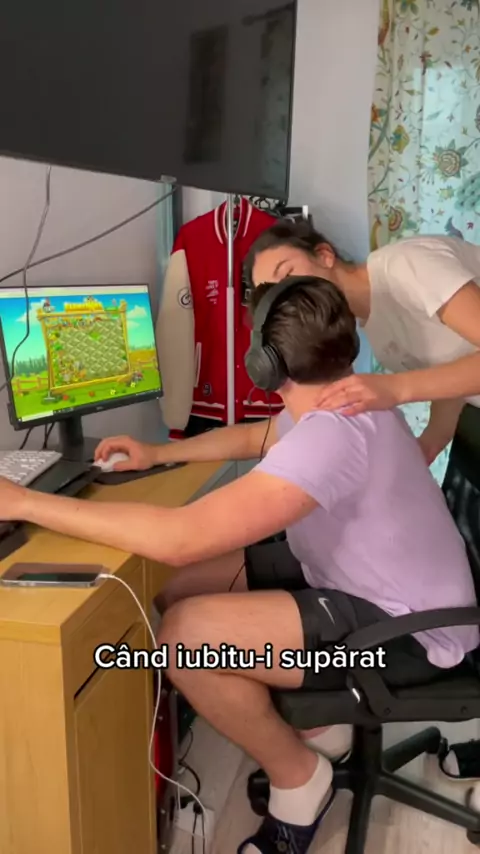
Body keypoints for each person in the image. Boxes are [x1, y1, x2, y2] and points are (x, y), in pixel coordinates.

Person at [0, 276, 478, 854]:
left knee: (183, 638)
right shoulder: (346, 397)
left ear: (264, 365)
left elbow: (180, 538)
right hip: (374, 584)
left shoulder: (330, 438)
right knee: (174, 586)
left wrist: (25, 504)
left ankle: (299, 778)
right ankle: (323, 728)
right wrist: (158, 452)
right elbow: (258, 437)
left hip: (409, 633)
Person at [245, 219, 480, 467]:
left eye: (287, 275)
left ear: (324, 255)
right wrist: (427, 447)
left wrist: (395, 388)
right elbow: (453, 373)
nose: (288, 296)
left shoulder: (408, 266)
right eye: (274, 294)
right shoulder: (377, 333)